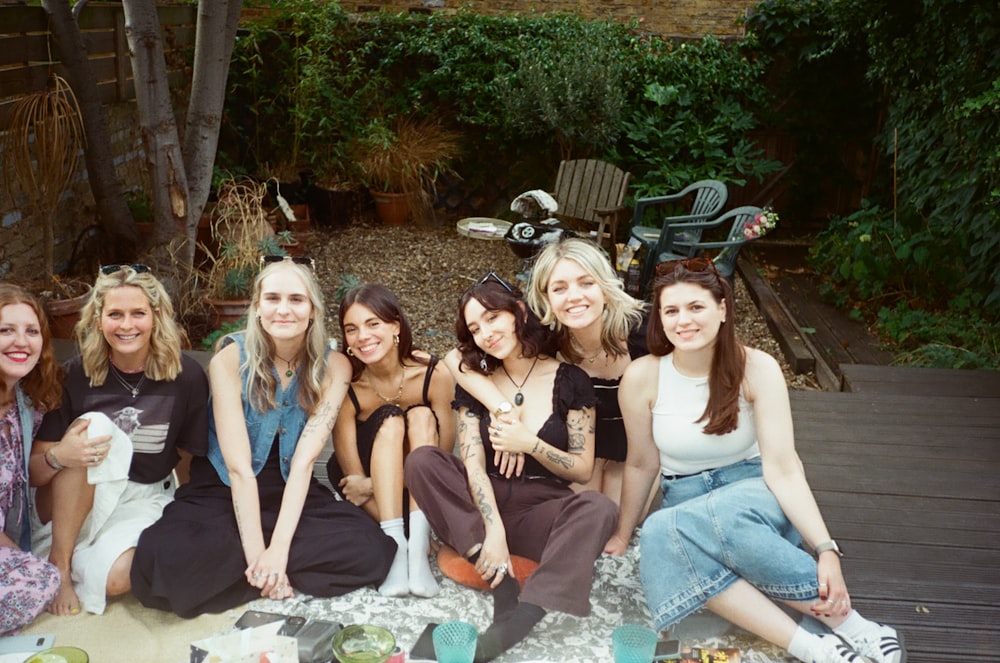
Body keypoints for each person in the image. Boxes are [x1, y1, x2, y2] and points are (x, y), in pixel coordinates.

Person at [606, 258, 905, 663]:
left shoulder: (757, 368)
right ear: (660, 318)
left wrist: (825, 548)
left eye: (696, 307)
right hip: (686, 498)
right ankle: (815, 649)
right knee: (660, 530)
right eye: (671, 311)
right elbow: (642, 464)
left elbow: (783, 468)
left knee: (682, 527)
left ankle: (853, 625)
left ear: (722, 310)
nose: (683, 321)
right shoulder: (643, 376)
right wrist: (624, 536)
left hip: (752, 492)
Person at [131, 257, 395, 617]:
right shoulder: (229, 360)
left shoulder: (334, 366)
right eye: (272, 298)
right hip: (224, 489)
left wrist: (279, 551)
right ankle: (264, 575)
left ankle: (258, 571)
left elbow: (304, 464)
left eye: (296, 300)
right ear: (257, 307)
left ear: (313, 310)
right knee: (164, 558)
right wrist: (260, 559)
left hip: (291, 487)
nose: (283, 310)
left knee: (371, 549)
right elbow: (239, 469)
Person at [405, 272, 617, 663]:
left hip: (542, 510)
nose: (485, 333)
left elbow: (583, 469)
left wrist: (529, 443)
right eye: (474, 327)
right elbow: (472, 460)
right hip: (479, 510)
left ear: (518, 312)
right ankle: (502, 586)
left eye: (491, 318)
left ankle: (524, 616)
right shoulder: (477, 381)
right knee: (423, 460)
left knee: (600, 508)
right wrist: (493, 532)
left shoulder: (570, 379)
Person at [28, 265, 209, 617]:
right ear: (98, 319)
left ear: (156, 316)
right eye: (115, 314)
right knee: (95, 426)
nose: (127, 325)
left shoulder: (187, 377)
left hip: (141, 497)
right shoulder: (75, 375)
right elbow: (36, 473)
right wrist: (61, 456)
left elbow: (187, 460)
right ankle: (60, 565)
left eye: (138, 313)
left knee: (117, 579)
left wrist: (190, 520)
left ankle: (81, 561)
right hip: (75, 501)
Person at [445, 238, 650, 507]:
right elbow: (454, 357)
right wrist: (503, 409)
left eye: (586, 283)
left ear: (604, 284)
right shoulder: (547, 338)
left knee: (615, 525)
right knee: (584, 519)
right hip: (584, 448)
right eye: (559, 288)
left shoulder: (644, 332)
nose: (574, 296)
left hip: (633, 449)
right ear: (546, 298)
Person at [327, 284, 455, 597]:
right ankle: (397, 548)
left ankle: (418, 545)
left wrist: (385, 482)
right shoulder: (348, 386)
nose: (363, 337)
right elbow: (354, 481)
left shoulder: (432, 373)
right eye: (352, 329)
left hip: (416, 492)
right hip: (367, 486)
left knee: (422, 417)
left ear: (395, 326)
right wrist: (371, 484)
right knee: (391, 418)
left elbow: (441, 458)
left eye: (374, 324)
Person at [0, 285, 61, 633]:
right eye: (6, 330)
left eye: (31, 331)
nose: (21, 342)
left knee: (42, 579)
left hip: (11, 535)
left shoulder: (28, 404)